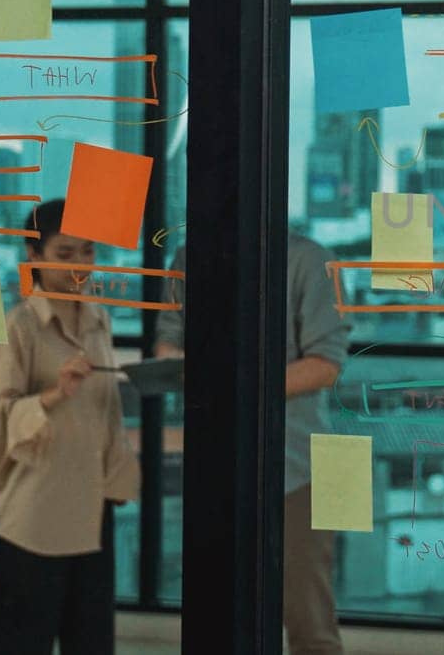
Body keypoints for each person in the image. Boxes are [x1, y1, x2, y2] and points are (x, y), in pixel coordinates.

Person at [155, 232, 351, 655]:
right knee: (217, 614)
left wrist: (231, 389)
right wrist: (180, 367)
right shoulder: (189, 257)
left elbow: (326, 366)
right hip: (216, 463)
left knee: (309, 619)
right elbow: (168, 338)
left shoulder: (312, 259)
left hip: (299, 465)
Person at [0, 199, 139, 655]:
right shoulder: (18, 327)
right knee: (22, 642)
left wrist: (119, 475)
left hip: (93, 505)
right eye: (65, 253)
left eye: (88, 253)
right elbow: (2, 416)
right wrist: (55, 393)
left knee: (90, 642)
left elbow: (106, 410)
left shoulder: (99, 320)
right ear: (34, 257)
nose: (79, 266)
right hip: (36, 513)